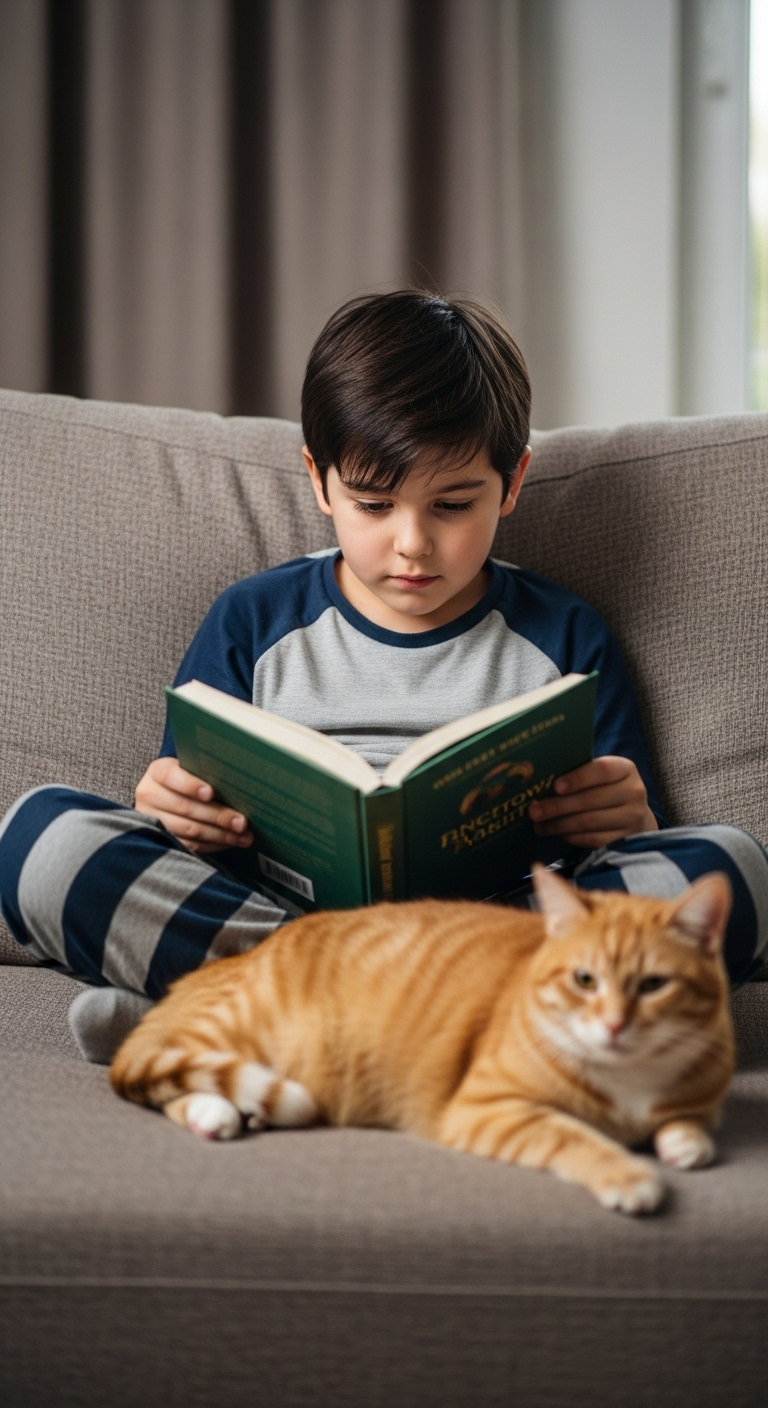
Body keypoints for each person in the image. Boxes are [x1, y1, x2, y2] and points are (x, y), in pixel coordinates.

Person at [1, 291, 766, 1063]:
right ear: (319, 481)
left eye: (453, 504)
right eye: (373, 503)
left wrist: (629, 818)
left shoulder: (565, 633)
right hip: (288, 920)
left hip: (499, 934)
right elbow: (191, 830)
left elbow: (630, 867)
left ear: (513, 481)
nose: (413, 544)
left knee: (731, 869)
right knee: (41, 839)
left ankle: (247, 1026)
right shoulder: (253, 621)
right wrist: (172, 810)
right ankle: (413, 1035)